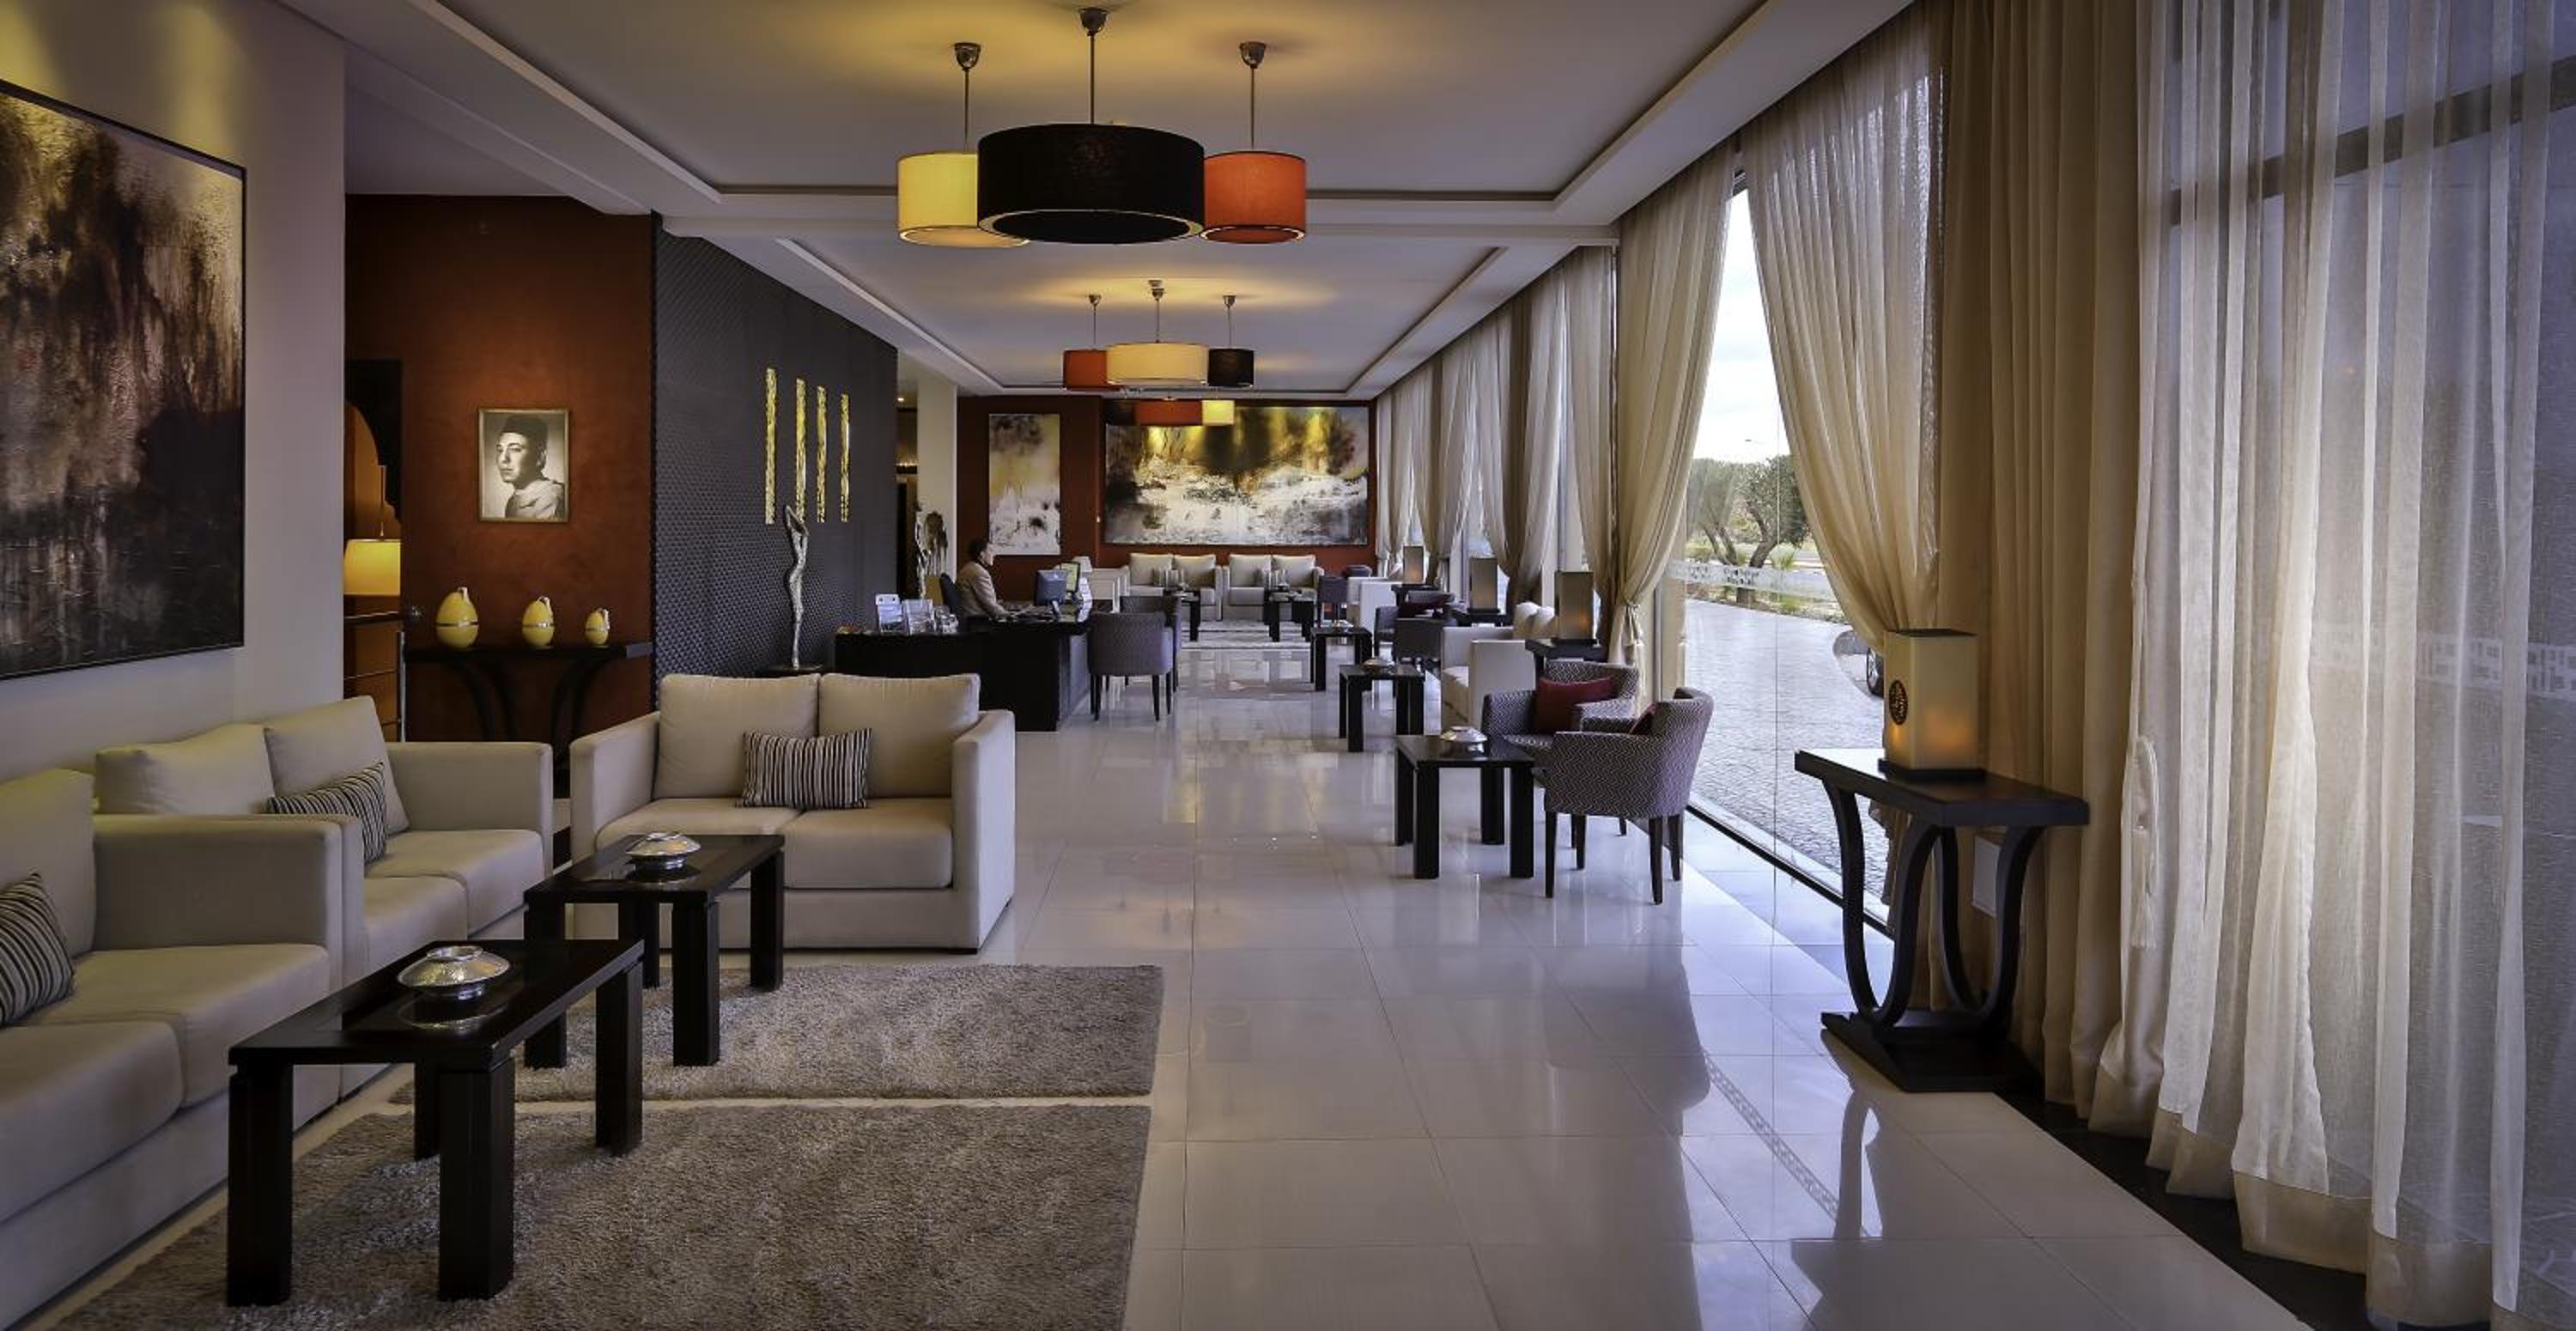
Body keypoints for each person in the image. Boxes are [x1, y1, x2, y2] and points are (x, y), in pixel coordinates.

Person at [492, 414, 567, 520]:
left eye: (515, 449)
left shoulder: (550, 499)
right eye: (500, 450)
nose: (503, 459)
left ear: (540, 456)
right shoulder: (514, 500)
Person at [956, 536, 1012, 619]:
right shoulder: (979, 573)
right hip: (979, 621)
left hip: (971, 618)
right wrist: (1012, 616)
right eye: (991, 550)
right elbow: (991, 606)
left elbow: (986, 601)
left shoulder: (970, 568)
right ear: (982, 554)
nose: (994, 555)